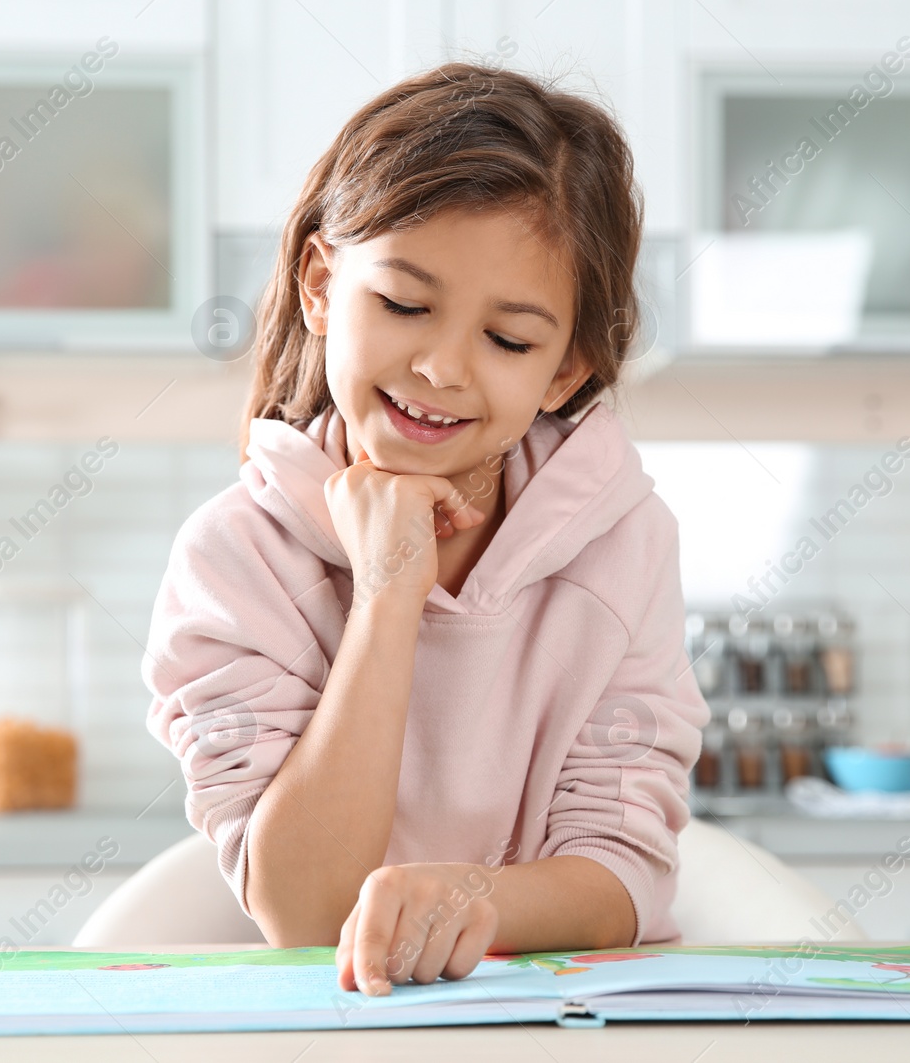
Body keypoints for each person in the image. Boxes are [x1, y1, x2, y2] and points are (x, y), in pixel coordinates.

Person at [146, 60, 709, 998]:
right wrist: (386, 591)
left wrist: (473, 898)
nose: (443, 367)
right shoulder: (232, 557)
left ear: (566, 372)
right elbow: (307, 911)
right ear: (323, 287)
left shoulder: (626, 541)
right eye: (404, 305)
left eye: (510, 340)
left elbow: (623, 875)